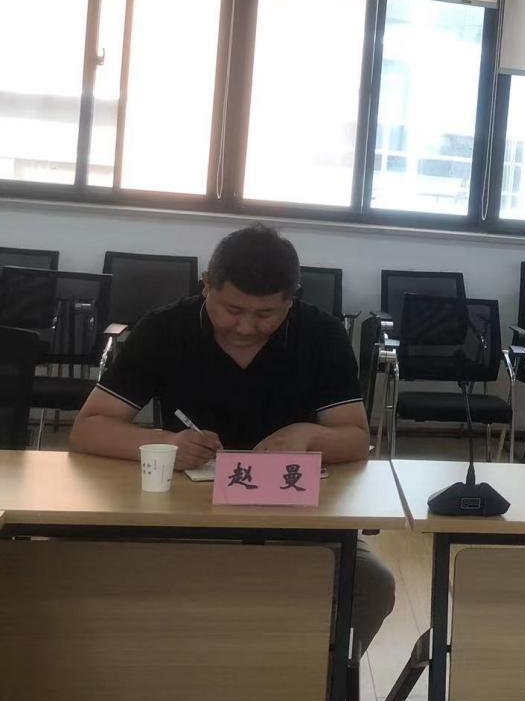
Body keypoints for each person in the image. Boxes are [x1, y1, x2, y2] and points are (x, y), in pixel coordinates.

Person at [69, 223, 395, 655]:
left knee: (372, 586)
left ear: (291, 299)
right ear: (207, 285)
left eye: (266, 315)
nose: (245, 326)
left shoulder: (321, 335)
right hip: (184, 513)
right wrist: (167, 443)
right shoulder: (165, 329)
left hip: (292, 515)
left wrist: (308, 435)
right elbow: (88, 428)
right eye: (233, 309)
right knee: (64, 560)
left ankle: (308, 681)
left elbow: (354, 439)